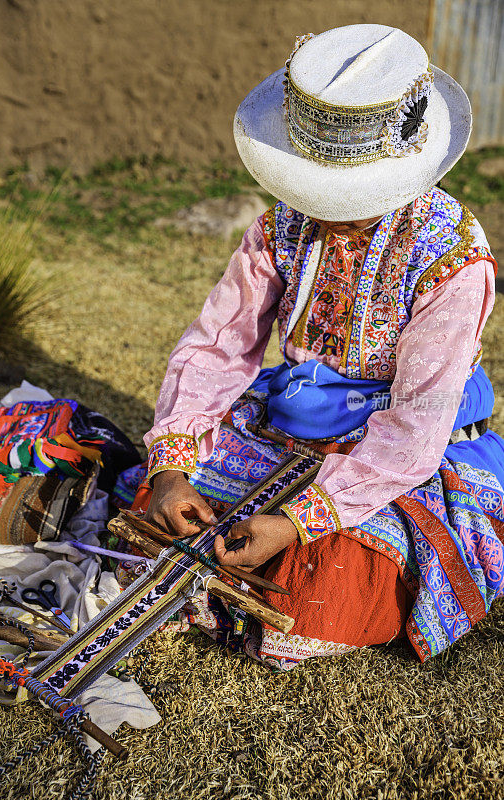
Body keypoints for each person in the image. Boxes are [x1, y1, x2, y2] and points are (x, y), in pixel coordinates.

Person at [121, 24, 504, 670]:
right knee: (160, 511)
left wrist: (297, 522)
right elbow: (218, 346)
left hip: (401, 451)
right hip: (290, 423)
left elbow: (413, 429)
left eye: (341, 197)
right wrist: (169, 471)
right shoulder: (281, 227)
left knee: (328, 586)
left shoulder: (452, 258)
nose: (321, 210)